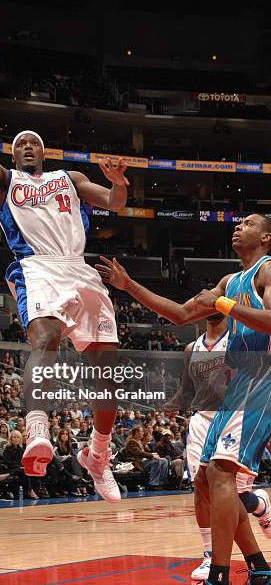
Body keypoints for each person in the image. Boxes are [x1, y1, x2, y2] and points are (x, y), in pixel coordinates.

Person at [0, 35, 129, 503]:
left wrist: (120, 183)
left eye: (34, 142)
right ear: (14, 155)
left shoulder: (71, 179)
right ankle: (36, 428)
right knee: (44, 338)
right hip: (37, 266)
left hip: (81, 270)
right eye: (21, 143)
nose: (27, 145)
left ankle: (99, 455)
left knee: (107, 372)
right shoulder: (4, 182)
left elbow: (115, 204)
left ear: (43, 152)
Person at [97, 213, 271, 584]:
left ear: (267, 237)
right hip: (240, 383)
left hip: (263, 376)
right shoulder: (230, 280)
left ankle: (219, 574)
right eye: (238, 223)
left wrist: (223, 306)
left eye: (250, 223)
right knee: (208, 480)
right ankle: (258, 568)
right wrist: (129, 286)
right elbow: (179, 314)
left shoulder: (268, 271)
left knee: (222, 473)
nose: (239, 226)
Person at [165, 314, 270, 581]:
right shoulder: (192, 349)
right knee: (203, 489)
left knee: (235, 494)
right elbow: (187, 390)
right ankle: (211, 555)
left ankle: (260, 506)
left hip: (236, 414)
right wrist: (175, 402)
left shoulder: (239, 339)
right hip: (202, 419)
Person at [125, 425, 169, 490]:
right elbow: (139, 453)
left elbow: (147, 452)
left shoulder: (140, 442)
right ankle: (153, 484)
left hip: (143, 461)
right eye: (141, 431)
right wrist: (152, 455)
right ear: (137, 432)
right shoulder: (131, 442)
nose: (143, 433)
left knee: (164, 460)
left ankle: (162, 482)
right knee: (157, 461)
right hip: (136, 462)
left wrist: (154, 454)